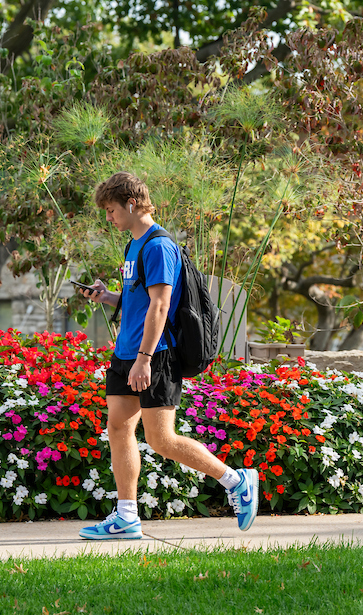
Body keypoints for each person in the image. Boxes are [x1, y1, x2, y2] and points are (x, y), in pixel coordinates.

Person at [76, 172, 258, 540]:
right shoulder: (134, 245)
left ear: (131, 203)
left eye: (111, 210)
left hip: (153, 355)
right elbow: (138, 301)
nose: (108, 217)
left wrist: (144, 358)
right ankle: (126, 516)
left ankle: (237, 481)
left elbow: (160, 307)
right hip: (127, 352)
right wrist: (107, 296)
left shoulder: (159, 246)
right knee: (118, 427)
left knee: (161, 440)